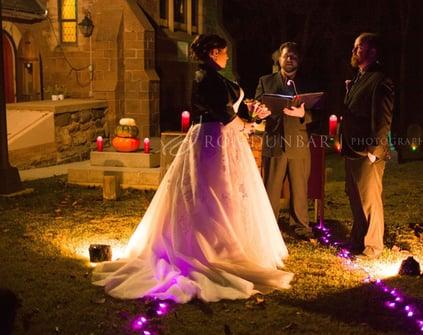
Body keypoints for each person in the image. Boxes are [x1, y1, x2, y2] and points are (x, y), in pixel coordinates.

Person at [93, 34, 293, 303]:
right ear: (212, 53)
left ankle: (228, 243)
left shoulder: (215, 75)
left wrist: (249, 116)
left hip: (223, 139)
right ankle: (207, 248)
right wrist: (249, 125)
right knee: (208, 191)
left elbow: (229, 109)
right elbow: (223, 115)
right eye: (223, 52)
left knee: (228, 192)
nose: (227, 56)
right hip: (212, 140)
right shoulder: (206, 77)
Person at [341, 32, 394, 258]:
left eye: (358, 47)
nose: (354, 51)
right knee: (355, 196)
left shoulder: (381, 79)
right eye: (354, 47)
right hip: (352, 148)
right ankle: (358, 240)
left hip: (367, 150)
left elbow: (383, 117)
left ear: (372, 51)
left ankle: (373, 246)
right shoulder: (359, 77)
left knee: (370, 199)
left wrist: (374, 149)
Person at [255, 42, 314, 240]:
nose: (290, 59)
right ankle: (269, 227)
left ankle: (300, 227)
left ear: (299, 61)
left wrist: (303, 114)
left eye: (294, 56)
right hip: (274, 141)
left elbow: (318, 113)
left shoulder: (307, 83)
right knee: (270, 187)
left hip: (298, 142)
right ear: (279, 59)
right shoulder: (266, 81)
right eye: (286, 56)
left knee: (299, 189)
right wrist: (258, 113)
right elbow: (255, 108)